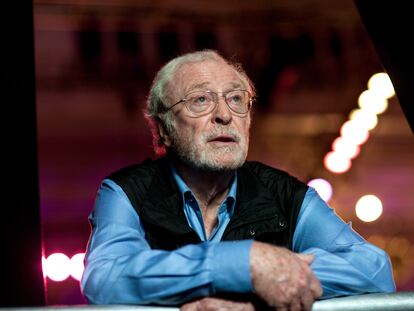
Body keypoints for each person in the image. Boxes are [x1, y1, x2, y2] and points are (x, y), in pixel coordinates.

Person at [81, 50, 395, 310]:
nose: (225, 114)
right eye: (200, 100)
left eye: (236, 99)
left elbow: (374, 270)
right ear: (164, 128)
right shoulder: (126, 190)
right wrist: (242, 264)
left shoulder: (286, 193)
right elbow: (105, 278)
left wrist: (261, 280)